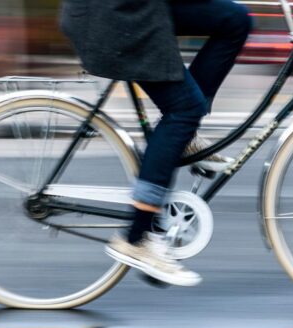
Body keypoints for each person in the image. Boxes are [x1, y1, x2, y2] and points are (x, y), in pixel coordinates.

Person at [59, 0, 253, 286]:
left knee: (235, 19)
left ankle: (183, 135)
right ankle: (137, 238)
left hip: (137, 10)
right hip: (117, 19)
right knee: (183, 109)